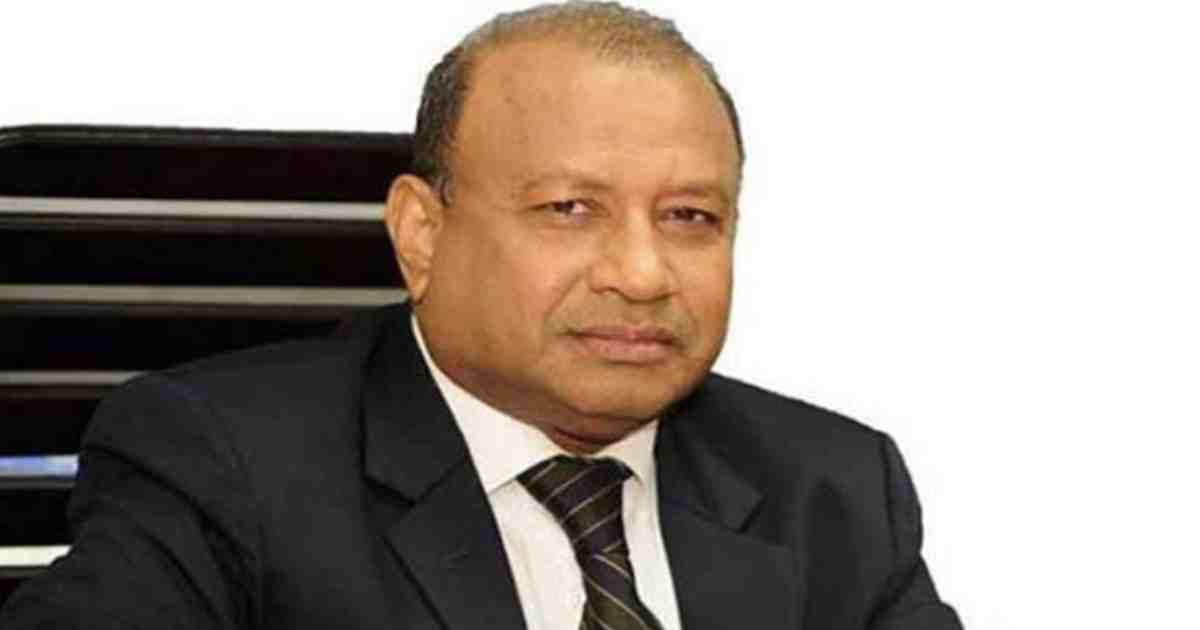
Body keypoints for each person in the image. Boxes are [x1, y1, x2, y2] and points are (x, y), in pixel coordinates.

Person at [1, 2, 962, 629]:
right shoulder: (224, 469)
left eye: (690, 218)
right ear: (421, 236)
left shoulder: (831, 490)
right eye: (570, 209)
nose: (642, 273)